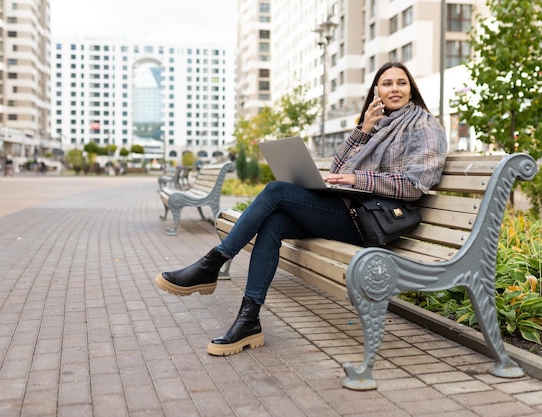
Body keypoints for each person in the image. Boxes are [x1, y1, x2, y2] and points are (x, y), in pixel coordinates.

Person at [154, 62, 448, 356]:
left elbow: (414, 184)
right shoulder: (377, 126)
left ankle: (211, 265)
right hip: (352, 211)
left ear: (411, 89)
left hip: (377, 222)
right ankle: (248, 321)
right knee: (275, 223)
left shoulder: (424, 126)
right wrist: (363, 130)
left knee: (277, 190)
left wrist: (359, 178)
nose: (394, 89)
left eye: (401, 83)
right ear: (376, 91)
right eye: (386, 83)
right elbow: (337, 169)